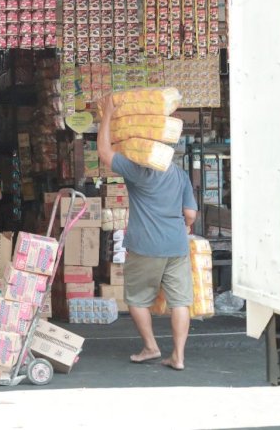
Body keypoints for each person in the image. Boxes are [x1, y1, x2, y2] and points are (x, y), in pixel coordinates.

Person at [97, 94, 198, 371]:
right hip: (176, 245)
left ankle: (151, 347)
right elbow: (190, 214)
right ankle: (178, 356)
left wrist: (107, 114)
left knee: (137, 299)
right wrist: (181, 227)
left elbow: (105, 152)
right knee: (180, 302)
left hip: (146, 246)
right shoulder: (179, 175)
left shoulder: (140, 171)